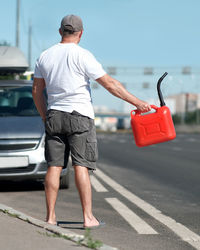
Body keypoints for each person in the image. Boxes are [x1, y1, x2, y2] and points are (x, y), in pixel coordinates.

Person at [32, 14, 151, 229]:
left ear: (60, 31)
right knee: (81, 166)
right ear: (81, 33)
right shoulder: (83, 55)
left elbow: (36, 91)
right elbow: (110, 84)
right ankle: (88, 218)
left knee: (54, 167)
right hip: (80, 116)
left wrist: (44, 115)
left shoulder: (44, 56)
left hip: (54, 115)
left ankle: (50, 218)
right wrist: (137, 102)